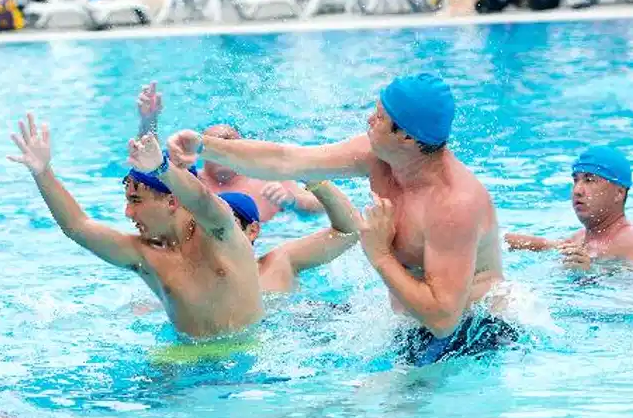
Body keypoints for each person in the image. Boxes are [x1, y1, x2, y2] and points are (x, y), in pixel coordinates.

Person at [167, 74, 513, 366]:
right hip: (412, 327)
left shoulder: (452, 204)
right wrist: (204, 147)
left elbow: (442, 319)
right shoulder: (380, 155)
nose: (369, 120)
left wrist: (380, 254)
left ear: (407, 136)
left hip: (474, 335)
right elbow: (288, 160)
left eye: (379, 117)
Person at [9, 115, 262, 339]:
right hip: (185, 358)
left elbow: (201, 199)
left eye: (135, 201)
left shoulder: (219, 230)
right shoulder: (145, 255)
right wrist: (43, 173)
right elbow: (78, 226)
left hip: (245, 358)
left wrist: (162, 168)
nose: (128, 213)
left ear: (172, 201)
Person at [136, 82, 322, 220]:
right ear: (201, 152)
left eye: (228, 142)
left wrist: (293, 202)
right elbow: (150, 166)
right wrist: (148, 121)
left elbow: (322, 207)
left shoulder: (269, 178)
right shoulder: (191, 182)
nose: (222, 148)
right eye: (215, 143)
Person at [505, 146, 633, 267]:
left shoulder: (632, 240)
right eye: (576, 180)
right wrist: (497, 241)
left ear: (619, 193)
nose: (577, 190)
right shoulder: (579, 238)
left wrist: (590, 274)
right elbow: (543, 244)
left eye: (589, 180)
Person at [222, 181, 363, 294]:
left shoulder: (278, 263)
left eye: (224, 226)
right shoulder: (208, 284)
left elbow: (350, 231)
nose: (213, 235)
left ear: (252, 231)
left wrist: (315, 181)